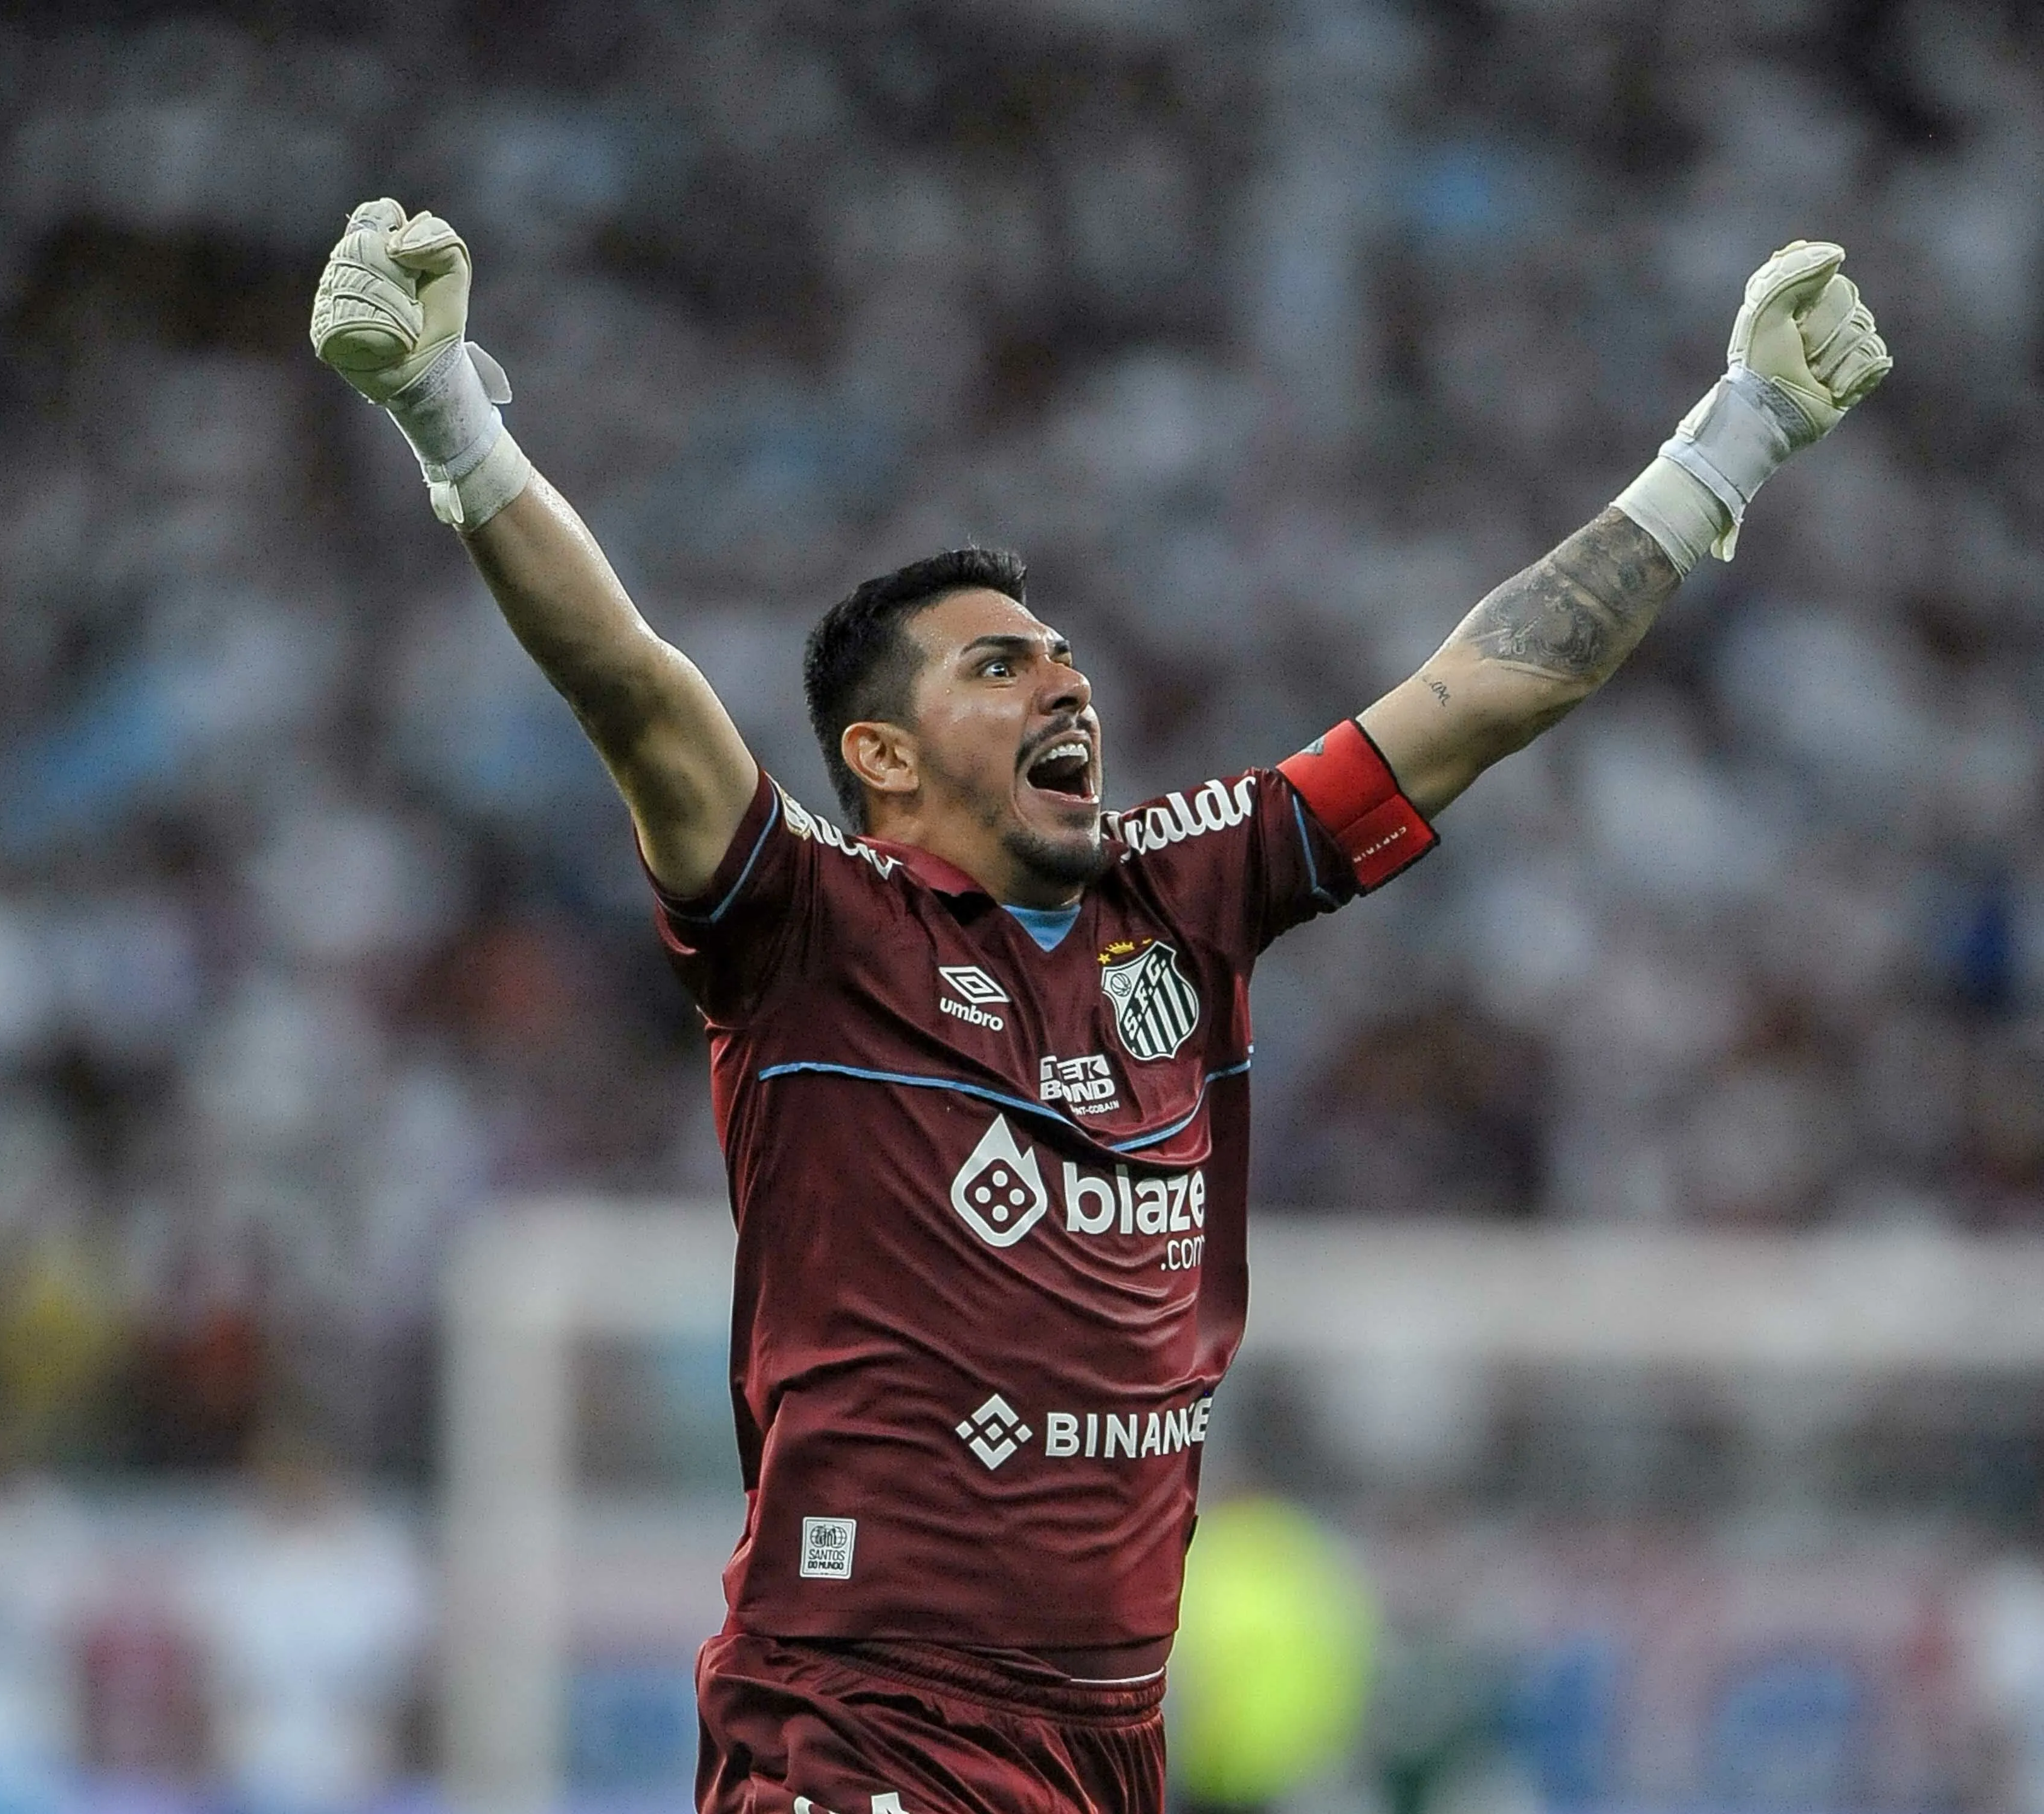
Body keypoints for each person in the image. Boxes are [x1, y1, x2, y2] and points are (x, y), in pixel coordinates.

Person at [310, 200, 1889, 1814]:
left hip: (1106, 1745)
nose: (1065, 681)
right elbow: (635, 688)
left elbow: (1477, 695)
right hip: (864, 1724)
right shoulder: (811, 930)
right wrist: (446, 408)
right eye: (997, 668)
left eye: (1062, 656)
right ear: (882, 761)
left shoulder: (1184, 896)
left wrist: (1736, 431)